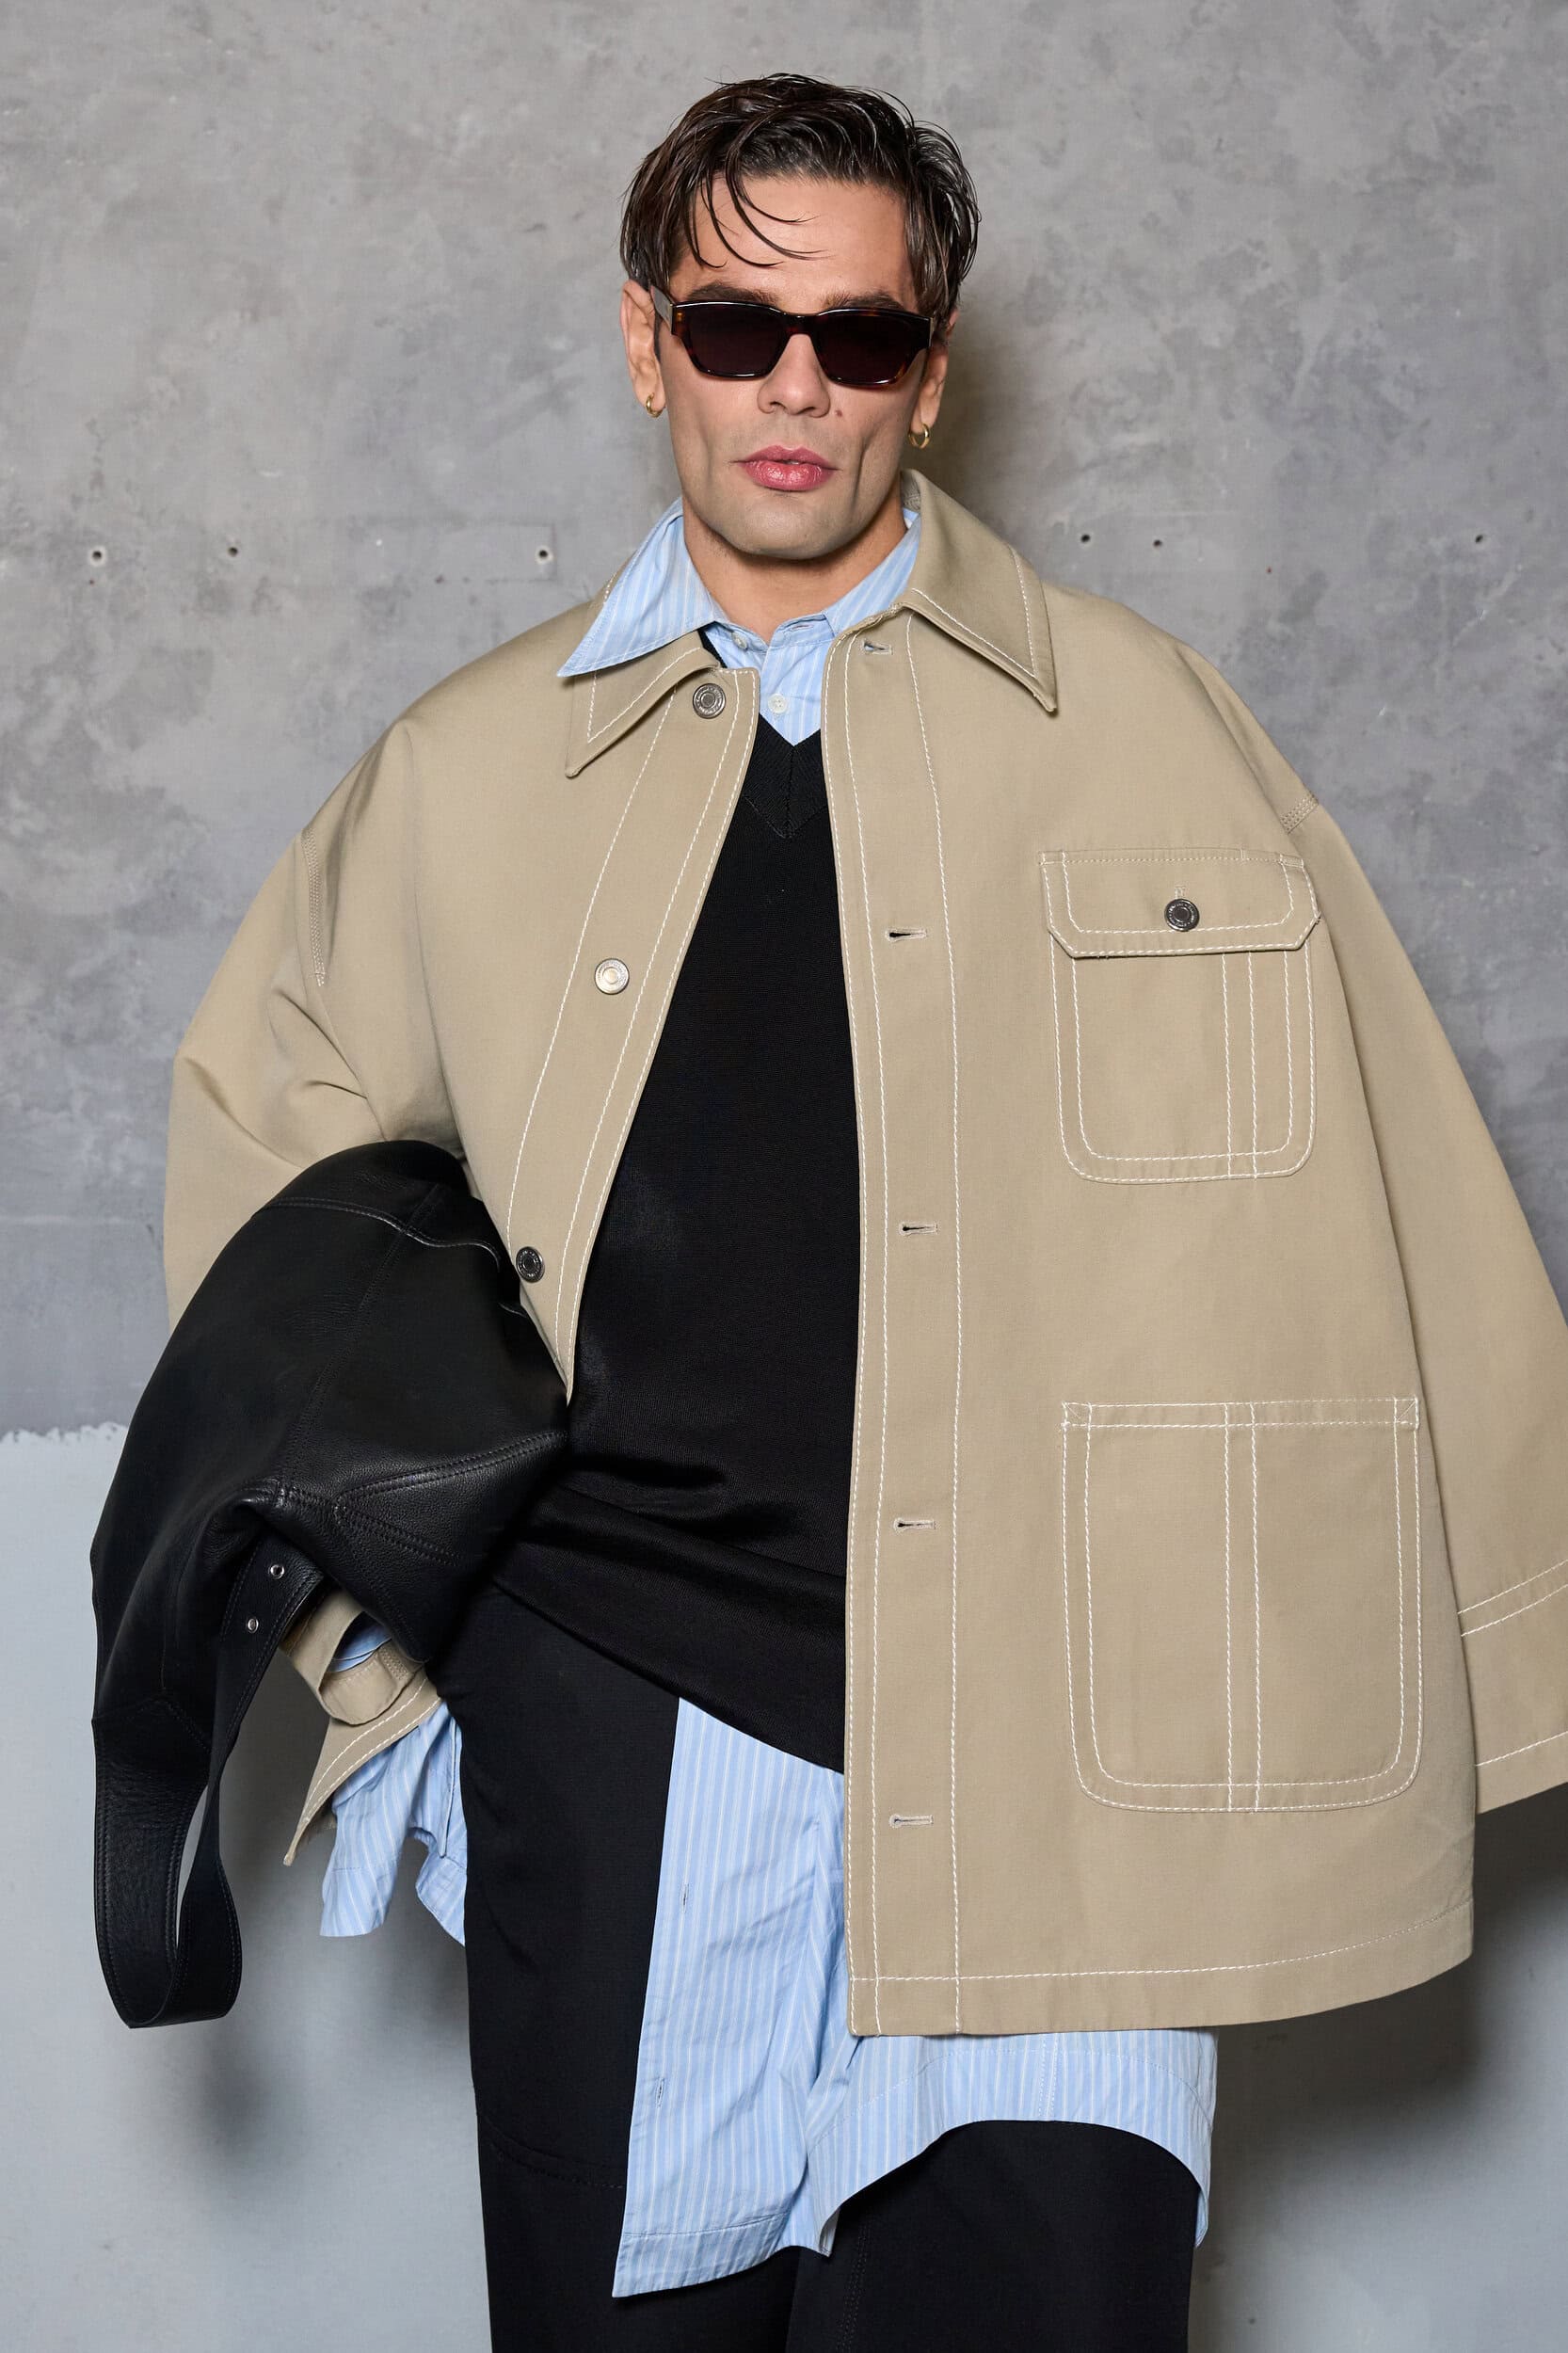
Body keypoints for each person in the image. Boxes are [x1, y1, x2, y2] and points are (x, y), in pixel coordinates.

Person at [161, 66, 1568, 2353]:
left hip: (1071, 1764)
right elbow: (270, 1224)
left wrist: (1500, 1652)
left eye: (860, 334)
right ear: (648, 345)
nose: (794, 386)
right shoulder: (460, 771)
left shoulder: (1155, 732)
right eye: (736, 329)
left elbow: (1405, 1212)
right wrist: (395, 1677)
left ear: (932, 363)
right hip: (628, 1730)